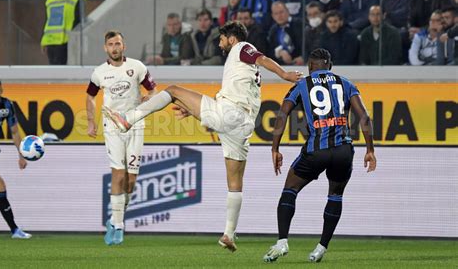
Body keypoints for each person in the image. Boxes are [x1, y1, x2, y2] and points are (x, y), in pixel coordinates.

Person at [101, 21, 302, 252]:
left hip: (230, 113)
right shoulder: (241, 69)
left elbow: (263, 59)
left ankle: (129, 119)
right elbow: (230, 98)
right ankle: (229, 233)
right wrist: (192, 109)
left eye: (222, 38)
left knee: (174, 90)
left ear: (232, 38)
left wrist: (285, 74)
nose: (219, 42)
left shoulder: (242, 48)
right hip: (243, 126)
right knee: (235, 184)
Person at [262, 48, 376, 263]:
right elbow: (365, 117)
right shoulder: (346, 83)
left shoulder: (301, 85)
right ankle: (321, 248)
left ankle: (282, 242)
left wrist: (274, 148)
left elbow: (282, 114)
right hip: (343, 151)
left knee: (290, 189)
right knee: (335, 195)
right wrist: (370, 150)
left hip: (317, 151)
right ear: (329, 65)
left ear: (310, 66)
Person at [86, 30, 157, 245]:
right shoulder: (99, 73)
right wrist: (91, 121)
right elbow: (90, 96)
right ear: (105, 48)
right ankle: (119, 226)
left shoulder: (137, 67)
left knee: (131, 180)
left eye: (118, 43)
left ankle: (115, 217)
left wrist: (148, 98)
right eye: (111, 44)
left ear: (123, 46)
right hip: (113, 127)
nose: (115, 47)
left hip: (135, 125)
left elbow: (153, 90)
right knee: (117, 175)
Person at [0, 78, 31, 239]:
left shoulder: (7, 105)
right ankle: (15, 230)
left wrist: (21, 155)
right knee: (0, 185)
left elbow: (15, 132)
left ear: (2, 90)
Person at [40, 0, 81, 65]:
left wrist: (75, 38)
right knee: (53, 73)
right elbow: (47, 20)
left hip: (67, 41)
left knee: (63, 73)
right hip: (51, 41)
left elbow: (79, 17)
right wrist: (44, 41)